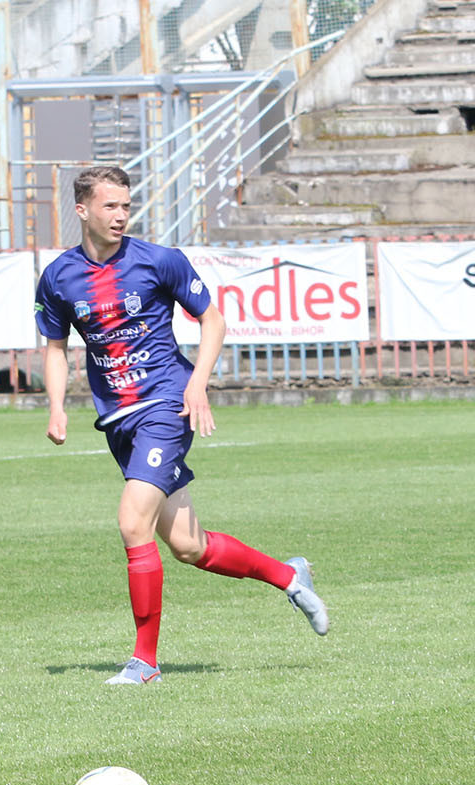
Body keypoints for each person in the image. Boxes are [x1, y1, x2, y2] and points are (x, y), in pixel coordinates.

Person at [36, 165, 328, 684]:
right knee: (189, 546)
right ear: (81, 210)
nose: (121, 215)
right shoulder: (59, 276)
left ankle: (144, 663)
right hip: (118, 420)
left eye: (126, 206)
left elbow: (213, 320)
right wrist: (57, 406)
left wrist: (197, 385)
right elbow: (55, 346)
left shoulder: (159, 261)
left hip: (166, 406)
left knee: (133, 523)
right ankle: (289, 575)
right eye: (109, 206)